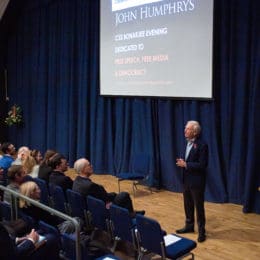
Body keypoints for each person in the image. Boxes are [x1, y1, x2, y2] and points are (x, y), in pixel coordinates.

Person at [73, 158, 145, 217]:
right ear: (83, 169)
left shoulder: (76, 181)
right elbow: (105, 198)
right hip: (101, 211)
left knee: (116, 195)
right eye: (89, 165)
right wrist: (112, 196)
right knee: (124, 195)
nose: (91, 166)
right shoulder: (91, 186)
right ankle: (131, 215)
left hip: (89, 209)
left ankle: (131, 213)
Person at [176, 120, 208, 242]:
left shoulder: (202, 145)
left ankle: (201, 231)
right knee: (187, 205)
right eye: (185, 128)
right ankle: (189, 226)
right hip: (186, 180)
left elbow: (203, 164)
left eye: (187, 129)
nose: (185, 131)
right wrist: (183, 162)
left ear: (194, 132)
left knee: (199, 207)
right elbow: (187, 159)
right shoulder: (186, 143)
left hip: (197, 182)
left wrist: (186, 164)